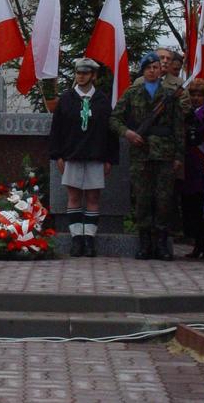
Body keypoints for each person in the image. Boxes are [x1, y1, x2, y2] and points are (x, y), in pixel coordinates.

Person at [110, 51, 184, 260]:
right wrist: (128, 133)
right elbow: (114, 119)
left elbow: (178, 127)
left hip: (165, 153)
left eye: (155, 67)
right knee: (142, 199)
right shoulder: (132, 93)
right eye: (148, 68)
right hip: (140, 153)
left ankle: (161, 244)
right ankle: (144, 243)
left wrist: (179, 156)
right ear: (143, 71)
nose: (152, 71)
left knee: (163, 200)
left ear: (161, 70)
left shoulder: (169, 94)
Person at [49, 57, 119, 257]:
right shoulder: (66, 99)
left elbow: (111, 132)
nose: (81, 76)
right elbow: (57, 130)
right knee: (73, 197)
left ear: (93, 76)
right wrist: (58, 155)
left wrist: (109, 158)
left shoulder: (102, 101)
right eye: (78, 73)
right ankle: (76, 239)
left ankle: (89, 239)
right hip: (72, 155)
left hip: (96, 155)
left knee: (93, 197)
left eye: (85, 73)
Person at [182, 79, 204, 258]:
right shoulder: (188, 114)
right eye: (193, 95)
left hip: (203, 162)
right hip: (189, 163)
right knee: (191, 205)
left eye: (200, 95)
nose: (196, 98)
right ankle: (198, 243)